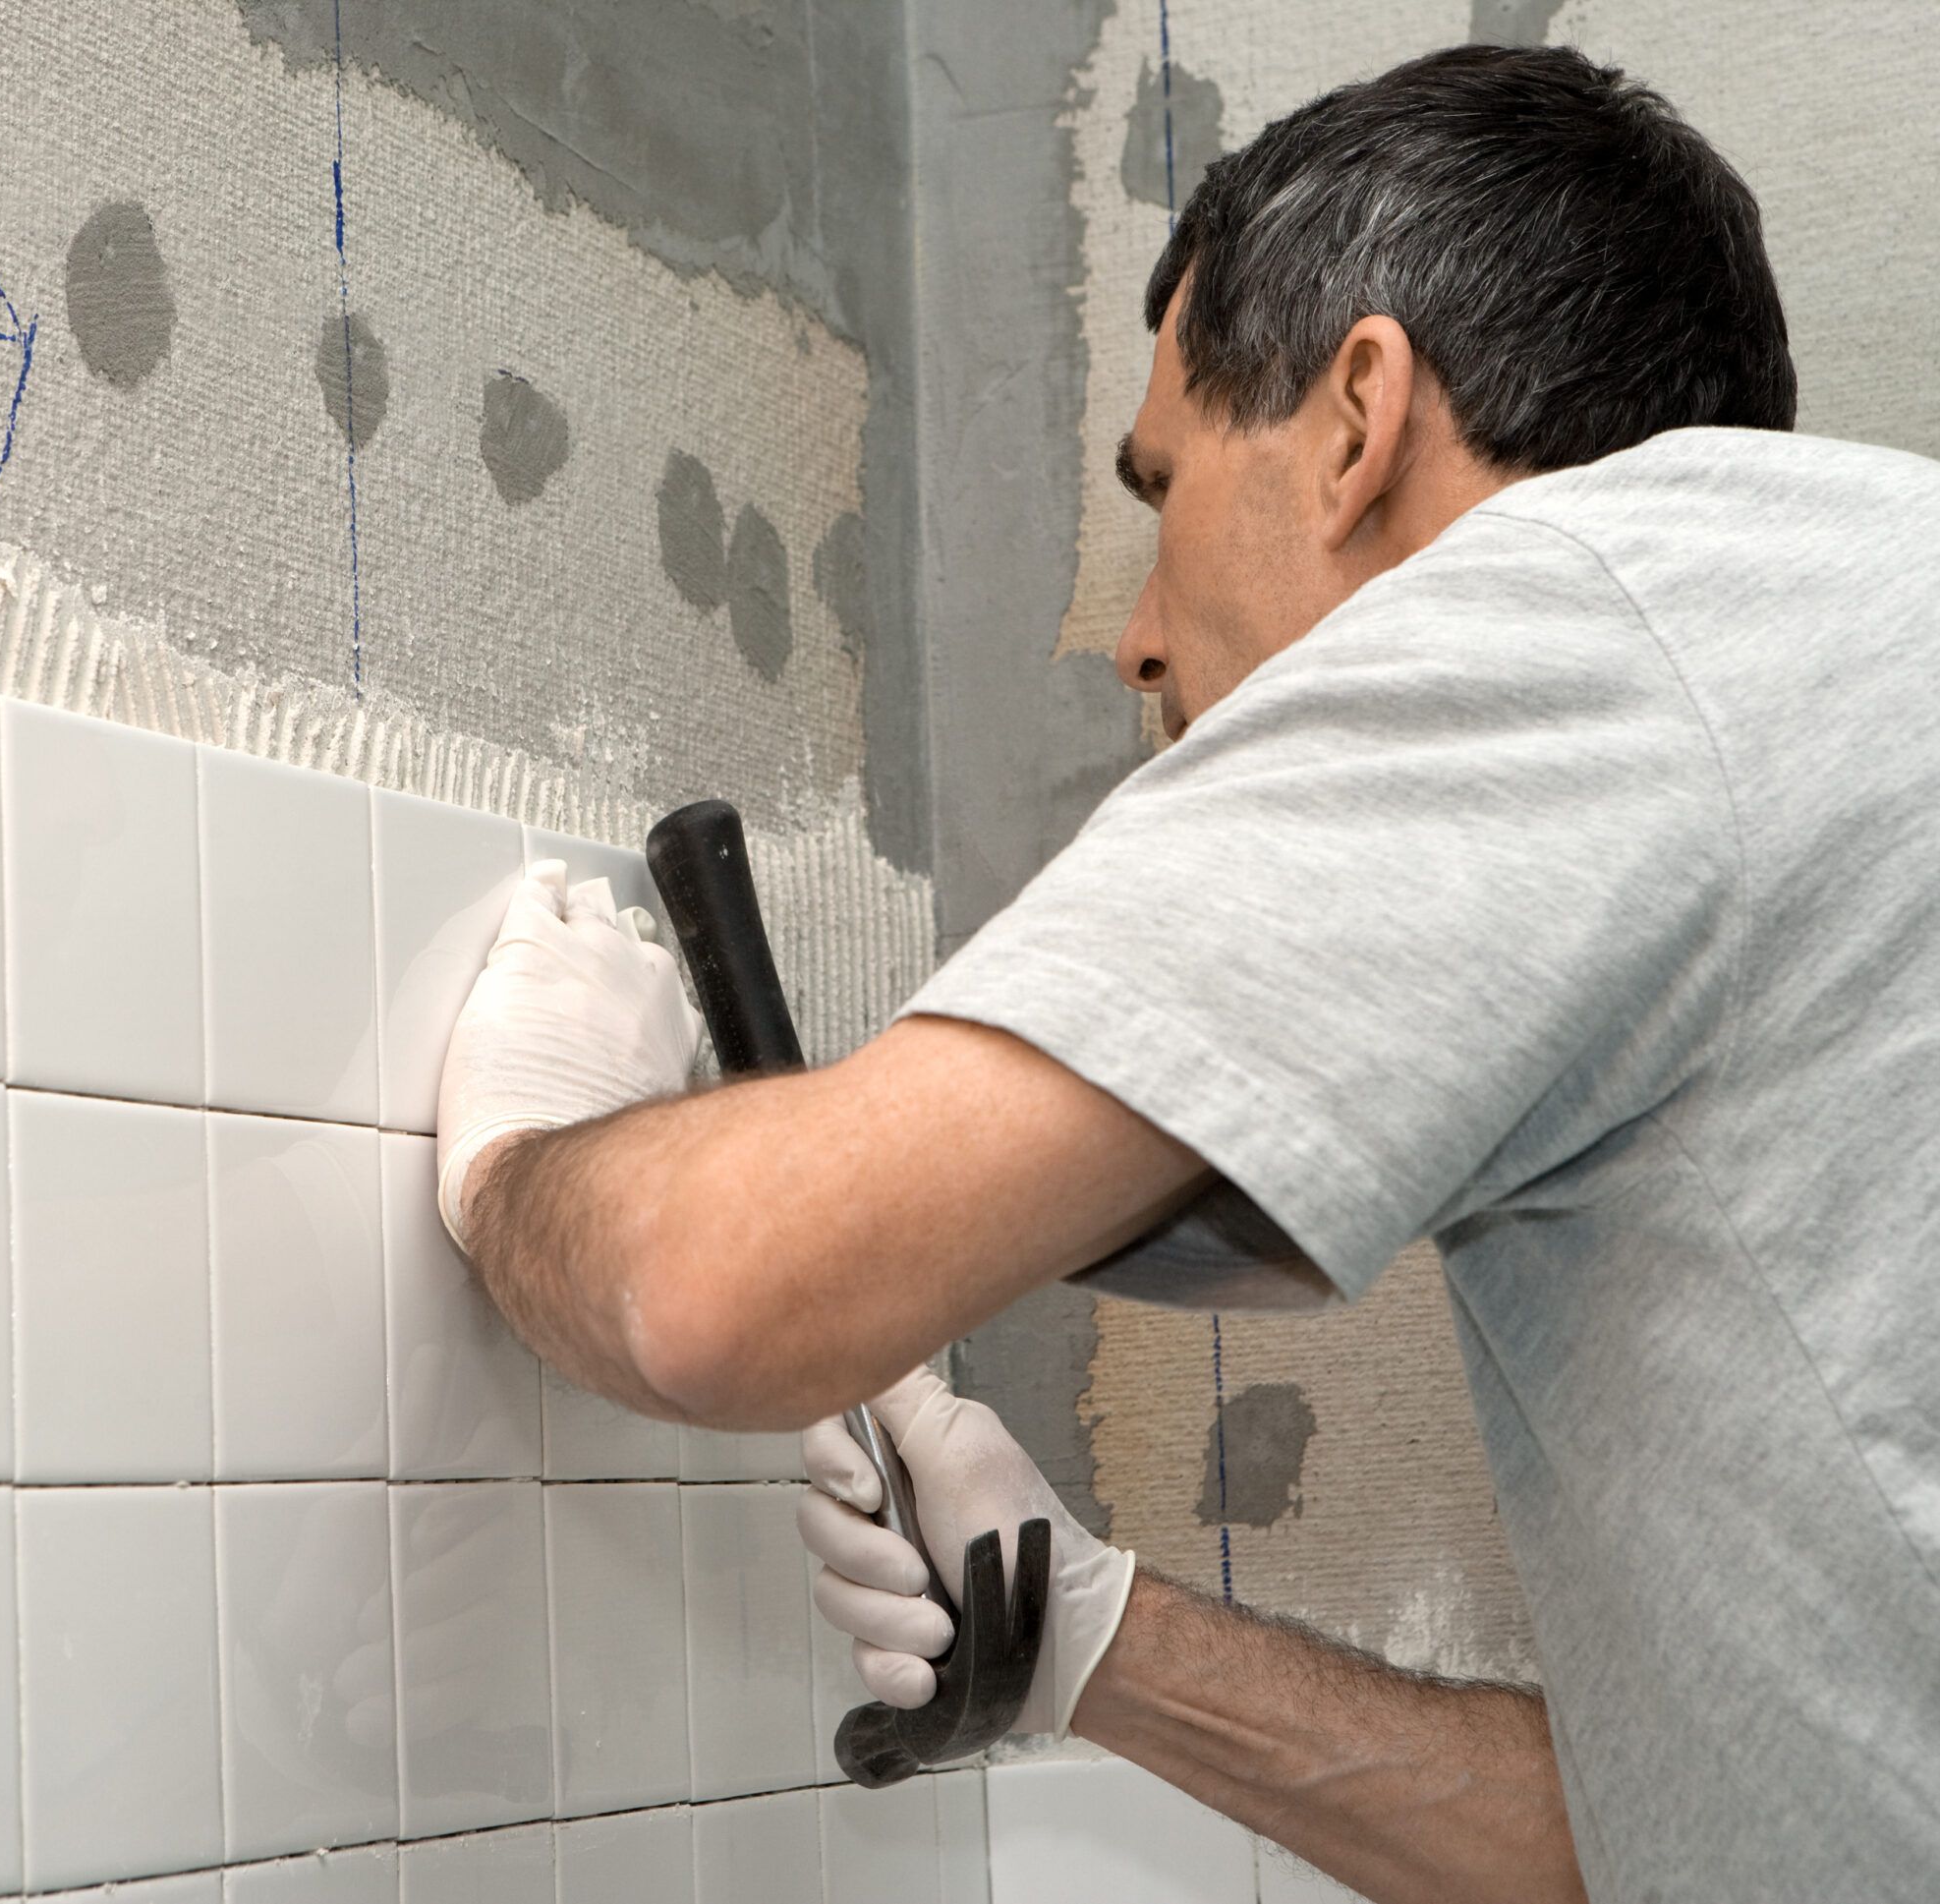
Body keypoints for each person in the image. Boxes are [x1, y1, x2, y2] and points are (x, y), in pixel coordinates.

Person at [435, 41, 1940, 1904]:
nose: (1140, 644)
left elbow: (713, 1296)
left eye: (1164, 489)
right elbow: (1694, 1844)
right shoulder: (1825, 638)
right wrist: (1090, 1637)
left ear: (1357, 419)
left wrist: (519, 1156)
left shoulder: (1580, 615)